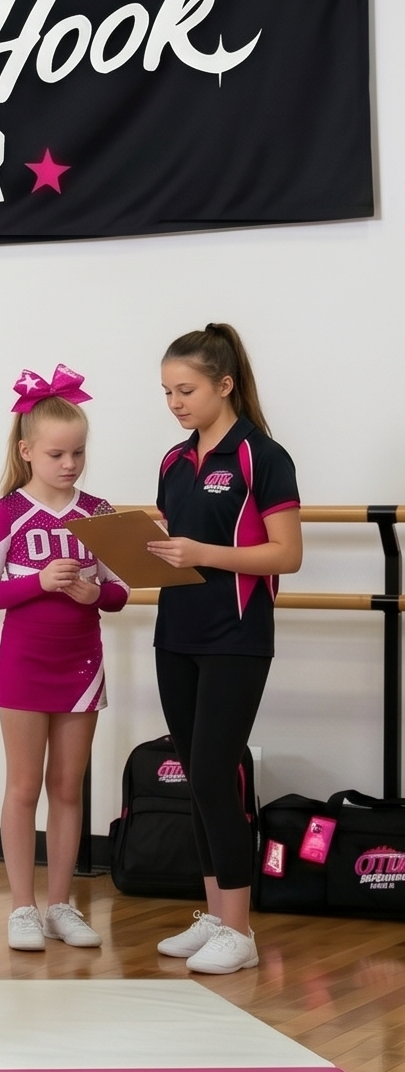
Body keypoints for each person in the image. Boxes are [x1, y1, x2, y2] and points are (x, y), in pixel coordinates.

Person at [145, 324, 301, 976]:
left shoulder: (262, 456)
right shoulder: (173, 462)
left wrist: (205, 553)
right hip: (175, 632)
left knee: (215, 774)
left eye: (186, 390)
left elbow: (286, 554)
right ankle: (214, 916)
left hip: (236, 635)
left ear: (224, 385)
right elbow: (175, 544)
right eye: (167, 392)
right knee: (194, 776)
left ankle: (239, 931)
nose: (175, 402)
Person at [0, 367, 128, 955]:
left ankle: (62, 904)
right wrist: (38, 581)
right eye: (57, 453)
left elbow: (120, 590)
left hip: (82, 664)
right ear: (27, 451)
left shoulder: (100, 511)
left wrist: (94, 594)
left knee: (68, 787)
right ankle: (22, 907)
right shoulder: (6, 512)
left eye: (79, 452)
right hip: (23, 663)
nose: (70, 464)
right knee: (22, 787)